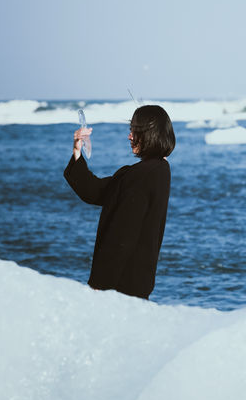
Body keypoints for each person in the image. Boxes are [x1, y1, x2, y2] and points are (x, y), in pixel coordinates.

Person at [64, 105, 175, 299]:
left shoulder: (144, 175)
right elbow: (95, 191)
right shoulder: (155, 170)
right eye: (131, 130)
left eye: (136, 131)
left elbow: (122, 236)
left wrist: (99, 284)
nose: (130, 136)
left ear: (150, 134)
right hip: (134, 283)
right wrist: (77, 151)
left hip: (121, 286)